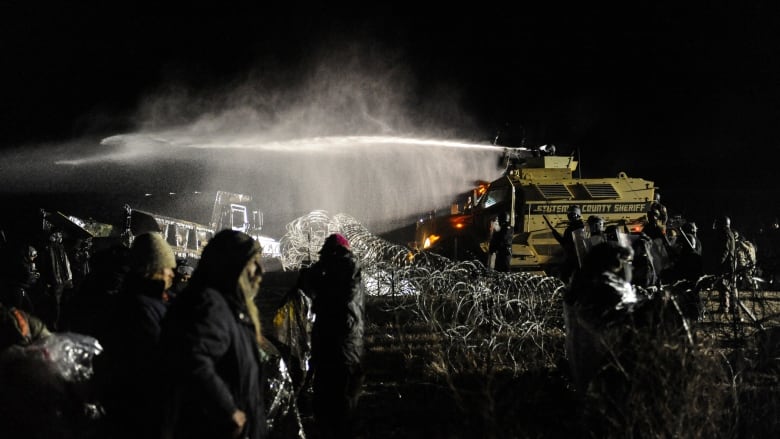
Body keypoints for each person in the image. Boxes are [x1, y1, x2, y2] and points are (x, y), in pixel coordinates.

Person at [159, 229, 268, 439]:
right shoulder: (210, 305)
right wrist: (228, 412)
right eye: (253, 262)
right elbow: (191, 358)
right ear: (231, 266)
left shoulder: (226, 307)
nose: (261, 270)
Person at [98, 232, 177, 439]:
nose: (172, 273)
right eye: (167, 267)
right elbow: (157, 359)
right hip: (141, 411)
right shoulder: (138, 307)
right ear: (153, 269)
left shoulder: (157, 300)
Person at [299, 233, 365, 439]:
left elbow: (334, 302)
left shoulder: (348, 268)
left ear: (335, 253)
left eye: (326, 255)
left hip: (343, 352)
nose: (322, 260)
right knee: (327, 408)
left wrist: (318, 271)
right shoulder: (341, 270)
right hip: (333, 349)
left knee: (341, 410)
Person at [545, 205, 585, 283]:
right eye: (569, 215)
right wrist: (555, 233)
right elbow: (564, 242)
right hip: (571, 256)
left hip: (578, 256)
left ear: (578, 215)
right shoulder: (569, 229)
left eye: (573, 215)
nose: (571, 217)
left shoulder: (581, 228)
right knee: (565, 276)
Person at [708, 215, 736, 313]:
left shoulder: (725, 233)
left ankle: (724, 307)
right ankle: (733, 306)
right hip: (729, 264)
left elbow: (725, 250)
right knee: (730, 285)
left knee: (724, 285)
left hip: (725, 265)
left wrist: (719, 263)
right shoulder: (730, 233)